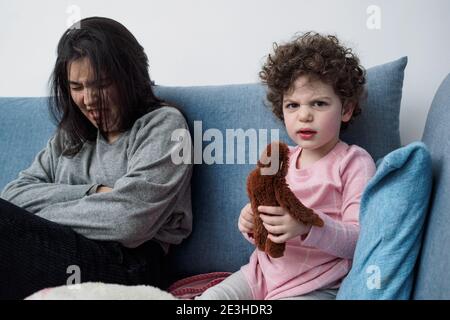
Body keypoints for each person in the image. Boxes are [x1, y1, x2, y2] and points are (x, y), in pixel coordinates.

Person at [0, 17, 193, 299]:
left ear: (130, 77)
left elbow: (129, 223)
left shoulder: (163, 125)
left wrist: (34, 216)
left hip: (129, 264)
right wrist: (95, 192)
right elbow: (14, 194)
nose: (89, 100)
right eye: (76, 87)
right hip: (62, 249)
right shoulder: (70, 136)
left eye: (101, 85)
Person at [197, 32, 376, 300]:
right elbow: (265, 234)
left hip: (314, 284)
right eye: (293, 105)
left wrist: (307, 227)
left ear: (346, 109)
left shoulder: (353, 162)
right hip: (260, 275)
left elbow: (359, 240)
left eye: (319, 103)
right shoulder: (278, 159)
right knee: (207, 301)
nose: (304, 114)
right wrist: (250, 222)